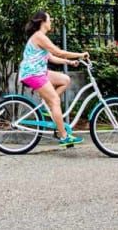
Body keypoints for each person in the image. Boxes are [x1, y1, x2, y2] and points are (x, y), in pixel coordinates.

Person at [18, 10, 89, 146]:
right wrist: (80, 55)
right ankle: (63, 137)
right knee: (55, 100)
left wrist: (69, 62)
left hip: (40, 72)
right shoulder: (39, 36)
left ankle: (49, 106)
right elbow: (58, 52)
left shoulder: (40, 37)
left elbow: (51, 57)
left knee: (65, 80)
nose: (51, 22)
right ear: (43, 22)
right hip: (33, 74)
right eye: (49, 20)